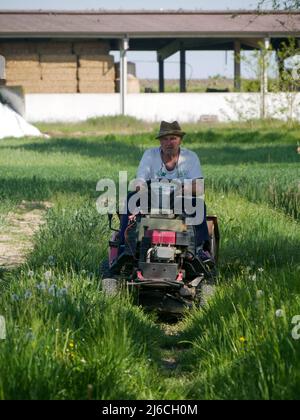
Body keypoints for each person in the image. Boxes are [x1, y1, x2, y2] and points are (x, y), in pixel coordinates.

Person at [116, 120, 213, 268]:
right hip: (153, 196)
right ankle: (125, 246)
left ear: (180, 140)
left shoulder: (190, 157)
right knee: (132, 198)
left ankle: (199, 249)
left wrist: (181, 187)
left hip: (179, 197)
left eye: (173, 138)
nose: (169, 142)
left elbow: (199, 187)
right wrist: (140, 188)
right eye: (165, 139)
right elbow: (139, 181)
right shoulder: (150, 155)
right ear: (160, 141)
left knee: (197, 204)